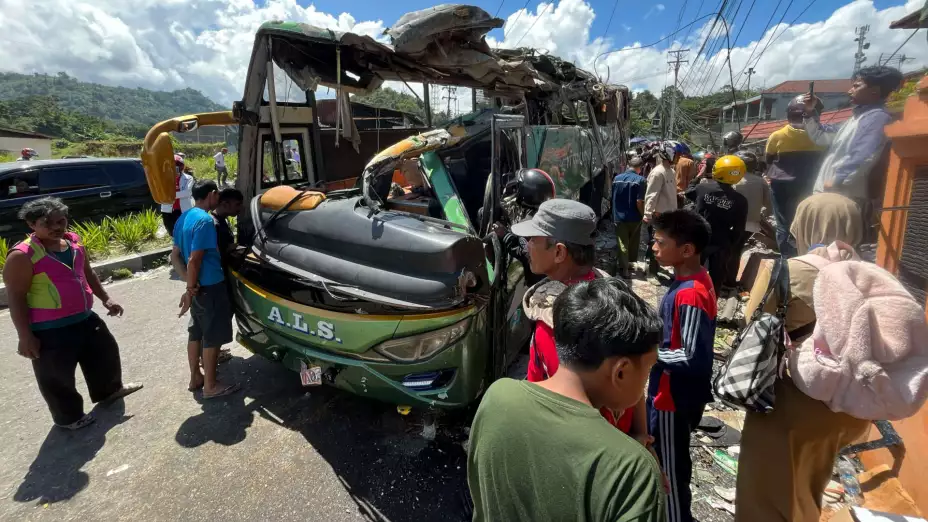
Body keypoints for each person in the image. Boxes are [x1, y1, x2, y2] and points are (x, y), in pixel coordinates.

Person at [468, 277, 666, 522]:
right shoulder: (633, 471)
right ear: (621, 371)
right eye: (647, 370)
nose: (645, 381)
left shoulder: (497, 398)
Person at [736, 192, 870, 522]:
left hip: (789, 402)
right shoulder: (871, 277)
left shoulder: (788, 271)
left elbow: (753, 318)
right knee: (810, 484)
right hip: (848, 406)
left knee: (763, 494)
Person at [512, 198, 651, 438]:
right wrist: (640, 435)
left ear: (559, 252)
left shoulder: (559, 323)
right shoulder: (609, 287)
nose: (527, 246)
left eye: (533, 239)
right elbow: (636, 378)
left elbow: (571, 412)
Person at [3, 198, 142, 430]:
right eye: (48, 223)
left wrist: (106, 298)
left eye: (62, 220)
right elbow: (16, 297)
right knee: (56, 376)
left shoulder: (73, 242)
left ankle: (109, 391)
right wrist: (25, 336)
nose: (58, 227)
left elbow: (87, 273)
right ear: (31, 224)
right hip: (50, 329)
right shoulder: (22, 255)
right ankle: (69, 418)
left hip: (84, 317)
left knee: (104, 354)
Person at [648, 209, 717, 522]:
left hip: (671, 397)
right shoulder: (693, 280)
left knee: (670, 473)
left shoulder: (690, 294)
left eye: (661, 242)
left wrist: (646, 354)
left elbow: (690, 356)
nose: (654, 247)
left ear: (687, 250)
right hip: (673, 394)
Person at [170, 180, 239, 399]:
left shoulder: (184, 217)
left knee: (196, 331)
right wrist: (191, 288)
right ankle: (210, 385)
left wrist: (189, 287)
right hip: (211, 286)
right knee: (212, 336)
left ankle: (195, 377)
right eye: (217, 195)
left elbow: (175, 256)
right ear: (211, 194)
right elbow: (194, 259)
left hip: (199, 287)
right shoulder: (205, 221)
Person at [802, 65, 903, 201]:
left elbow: (863, 154)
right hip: (831, 194)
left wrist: (836, 180)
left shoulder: (877, 118)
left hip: (844, 197)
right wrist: (809, 111)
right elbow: (821, 137)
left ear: (875, 90)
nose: (850, 91)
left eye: (856, 86)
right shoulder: (855, 119)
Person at [764, 95, 826, 257]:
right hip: (811, 186)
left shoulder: (777, 135)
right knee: (808, 222)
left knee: (784, 224)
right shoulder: (821, 137)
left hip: (782, 186)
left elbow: (769, 160)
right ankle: (806, 255)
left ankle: (788, 258)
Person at [685, 155, 748, 291]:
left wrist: (699, 176)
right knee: (717, 277)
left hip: (700, 238)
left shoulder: (702, 189)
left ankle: (690, 297)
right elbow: (739, 229)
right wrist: (730, 244)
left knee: (692, 273)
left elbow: (688, 191)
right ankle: (711, 303)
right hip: (721, 241)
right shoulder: (740, 200)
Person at [730, 151, 772, 287]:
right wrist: (760, 214)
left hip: (733, 223)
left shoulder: (733, 180)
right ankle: (729, 280)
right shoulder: (761, 182)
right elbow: (770, 205)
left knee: (731, 250)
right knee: (736, 249)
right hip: (752, 225)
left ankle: (727, 281)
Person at [644, 142, 679, 277]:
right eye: (676, 154)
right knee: (655, 243)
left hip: (669, 215)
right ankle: (651, 272)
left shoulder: (671, 171)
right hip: (658, 216)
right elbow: (651, 194)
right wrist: (648, 213)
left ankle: (657, 267)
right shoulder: (657, 173)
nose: (677, 157)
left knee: (664, 243)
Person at [613, 157, 647, 278]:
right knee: (633, 242)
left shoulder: (616, 179)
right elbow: (639, 201)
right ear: (640, 167)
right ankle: (628, 265)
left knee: (622, 243)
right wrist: (643, 214)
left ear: (629, 165)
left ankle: (624, 267)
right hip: (635, 217)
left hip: (619, 217)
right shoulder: (641, 180)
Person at [161, 154, 194, 238]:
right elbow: (162, 192)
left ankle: (183, 248)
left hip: (182, 210)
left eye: (177, 166)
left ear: (181, 167)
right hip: (168, 210)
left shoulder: (188, 178)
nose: (175, 169)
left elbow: (188, 192)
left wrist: (171, 195)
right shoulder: (164, 179)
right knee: (172, 232)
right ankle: (177, 247)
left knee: (184, 232)